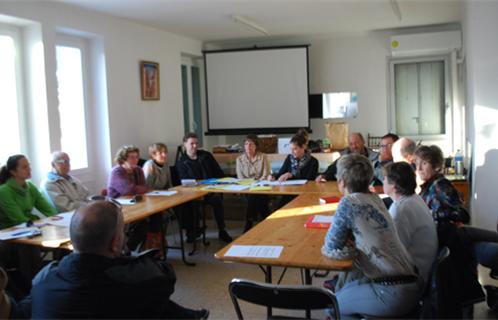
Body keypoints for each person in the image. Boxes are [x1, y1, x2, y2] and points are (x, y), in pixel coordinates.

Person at [31, 200, 209, 319]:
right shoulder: (137, 281)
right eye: (123, 232)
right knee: (155, 305)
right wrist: (127, 258)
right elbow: (167, 278)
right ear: (116, 243)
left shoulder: (42, 280)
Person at [321, 153, 419, 317]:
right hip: (409, 282)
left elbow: (331, 245)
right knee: (344, 289)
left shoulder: (349, 202)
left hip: (391, 291)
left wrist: (347, 245)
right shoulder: (375, 198)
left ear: (342, 181)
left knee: (332, 306)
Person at [415, 145, 498, 309]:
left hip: (452, 232)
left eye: (423, 163)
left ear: (436, 166)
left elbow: (462, 214)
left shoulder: (440, 184)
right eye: (416, 163)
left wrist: (433, 216)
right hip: (445, 235)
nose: (418, 168)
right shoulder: (426, 186)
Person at [382, 162, 438, 293]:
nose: (382, 181)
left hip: (410, 280)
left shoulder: (400, 210)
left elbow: (394, 253)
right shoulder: (414, 199)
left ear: (394, 185)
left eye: (384, 179)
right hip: (420, 268)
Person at [176, 133, 232, 243]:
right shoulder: (181, 162)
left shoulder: (206, 156)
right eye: (191, 144)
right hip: (193, 193)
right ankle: (192, 231)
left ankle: (222, 230)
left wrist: (218, 184)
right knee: (187, 203)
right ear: (185, 145)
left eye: (196, 143)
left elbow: (219, 173)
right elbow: (184, 182)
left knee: (217, 200)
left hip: (210, 190)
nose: (195, 146)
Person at [0, 155, 56, 229]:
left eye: (29, 166)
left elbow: (48, 209)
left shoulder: (30, 186)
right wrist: (40, 224)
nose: (29, 169)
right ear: (13, 172)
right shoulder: (3, 191)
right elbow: (18, 219)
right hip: (8, 231)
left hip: (29, 227)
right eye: (24, 167)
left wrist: (57, 218)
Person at [269, 129, 318, 208]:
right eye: (291, 149)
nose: (292, 152)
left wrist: (291, 175)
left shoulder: (313, 162)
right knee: (279, 208)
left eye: (295, 149)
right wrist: (273, 176)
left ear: (303, 147)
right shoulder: (289, 158)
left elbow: (308, 181)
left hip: (304, 193)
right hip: (289, 192)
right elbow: (281, 173)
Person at [236, 135, 271, 231]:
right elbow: (240, 178)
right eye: (246, 144)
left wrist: (256, 183)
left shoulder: (263, 157)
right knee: (255, 196)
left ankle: (249, 223)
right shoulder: (239, 159)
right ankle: (267, 220)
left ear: (256, 146)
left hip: (261, 187)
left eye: (251, 144)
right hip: (246, 189)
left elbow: (266, 175)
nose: (248, 146)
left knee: (255, 196)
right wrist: (252, 184)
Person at [143, 143, 173, 251]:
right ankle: (155, 244)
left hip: (164, 196)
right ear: (153, 155)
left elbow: (169, 184)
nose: (164, 155)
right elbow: (147, 188)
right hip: (151, 199)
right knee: (160, 216)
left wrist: (172, 193)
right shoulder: (149, 165)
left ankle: (160, 241)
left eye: (165, 152)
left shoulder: (166, 164)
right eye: (161, 153)